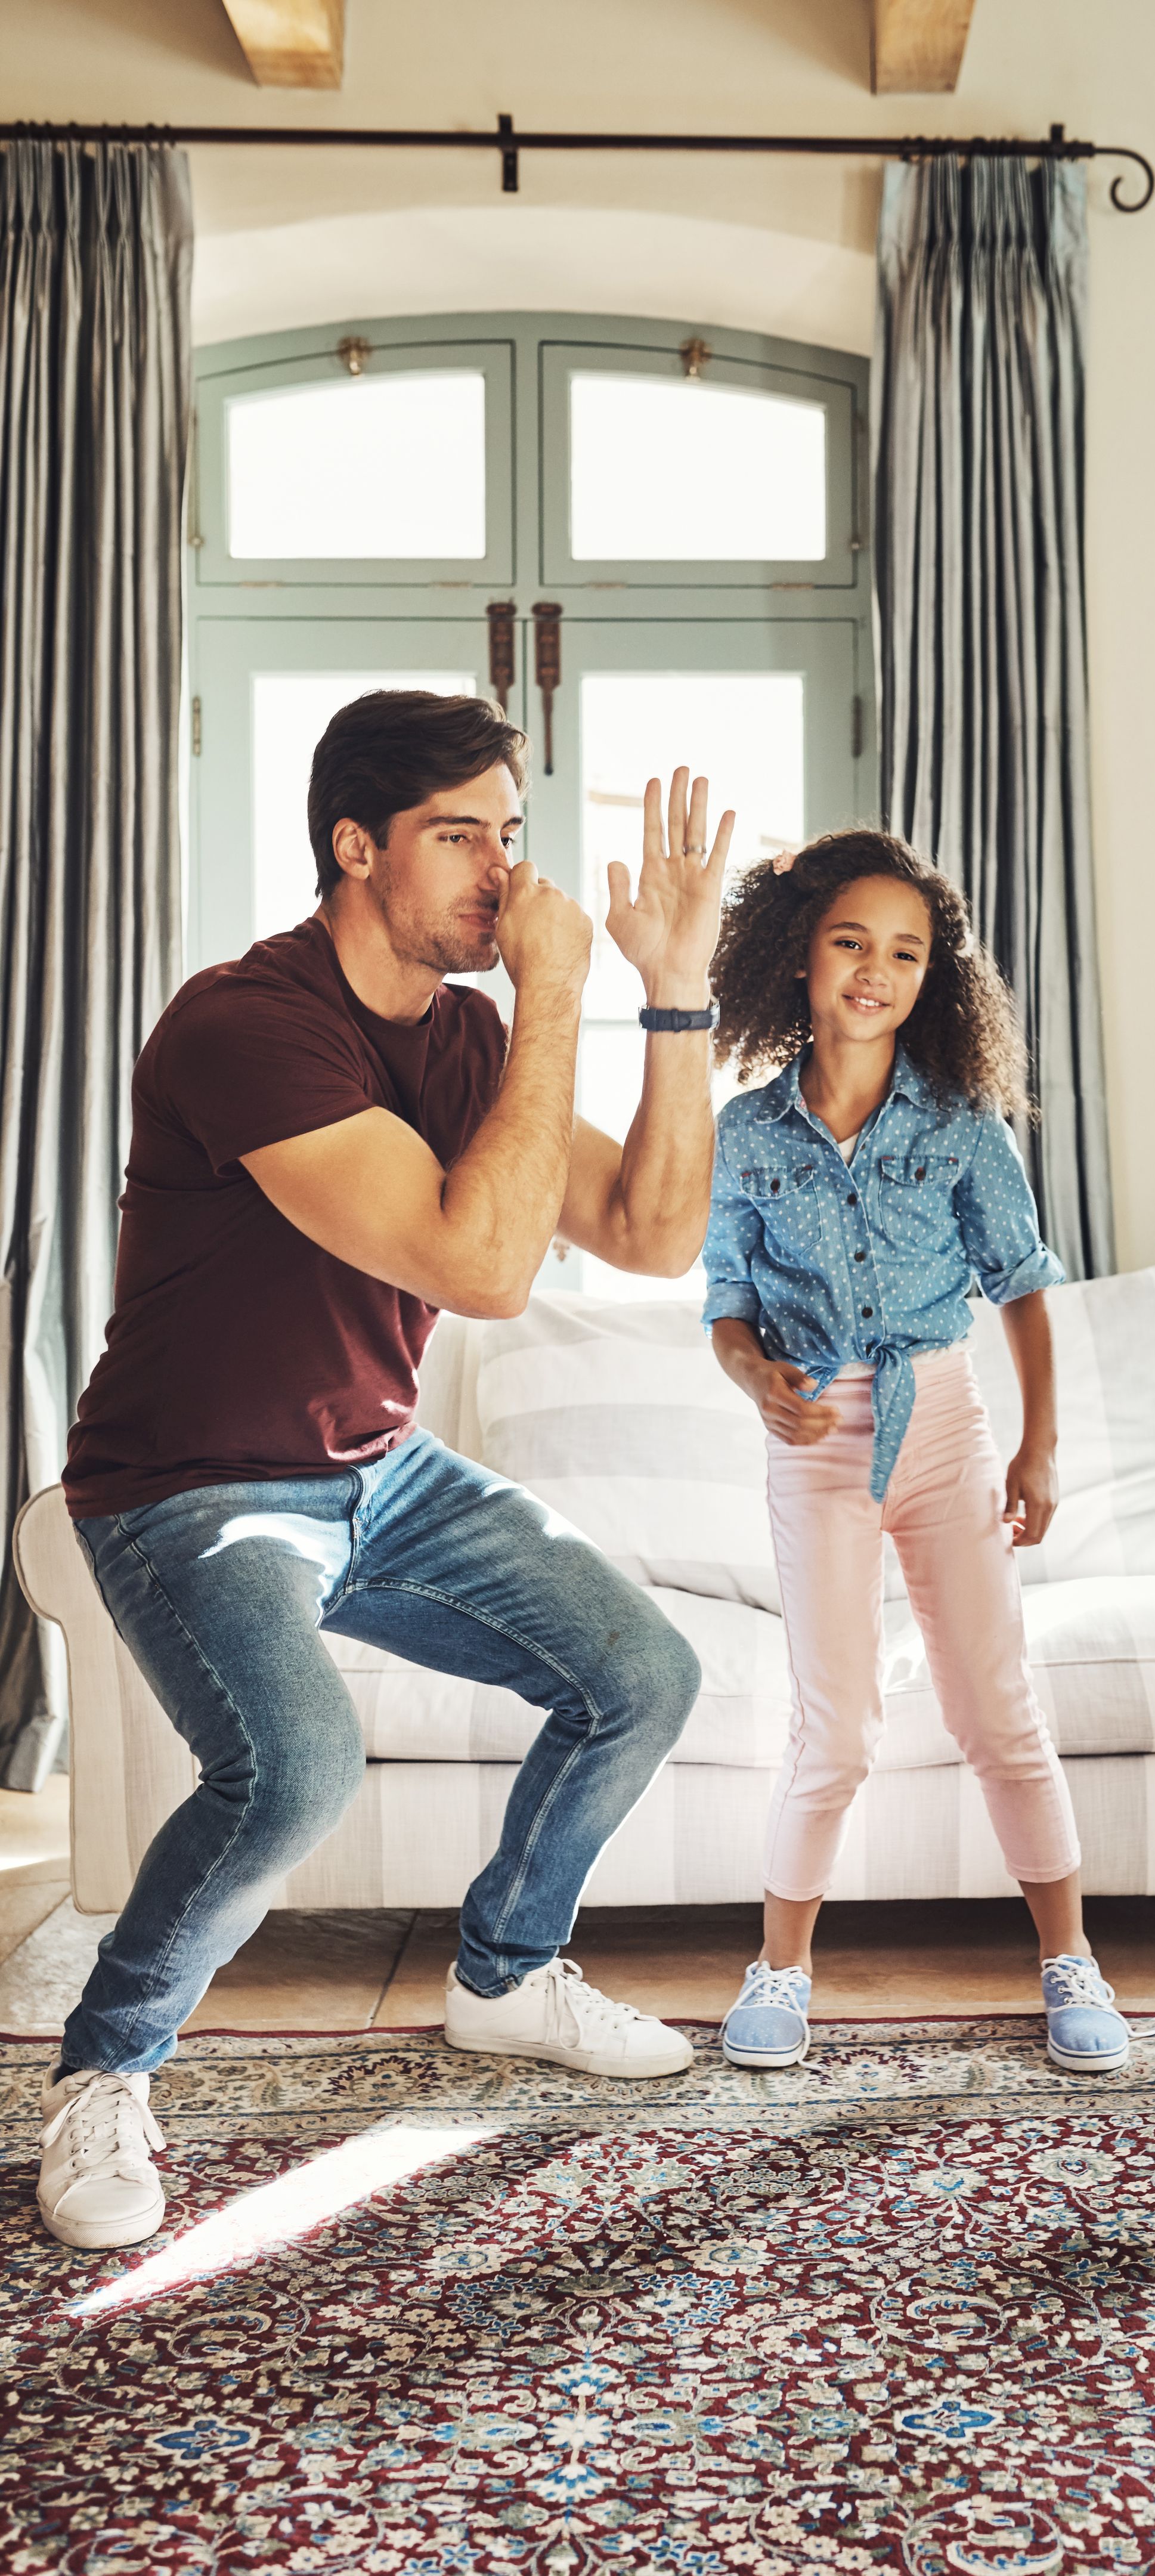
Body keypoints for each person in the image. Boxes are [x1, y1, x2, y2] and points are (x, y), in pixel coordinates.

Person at [37, 690, 733, 2252]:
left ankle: (501, 1975)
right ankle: (105, 2070)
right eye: (459, 836)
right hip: (189, 1488)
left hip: (375, 1470)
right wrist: (558, 990)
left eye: (514, 834)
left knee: (642, 1672)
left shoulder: (473, 1032)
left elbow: (648, 1234)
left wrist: (672, 994)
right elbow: (482, 1267)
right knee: (292, 1770)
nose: (503, 873)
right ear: (354, 847)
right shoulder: (242, 1026)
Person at [699, 831, 1131, 2077]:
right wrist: (754, 1376)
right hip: (817, 1439)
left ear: (931, 976)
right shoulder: (745, 1136)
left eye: (903, 951)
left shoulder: (958, 1125)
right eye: (848, 942)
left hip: (943, 1426)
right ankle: (778, 1969)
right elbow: (725, 1299)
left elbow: (1024, 1286)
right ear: (795, 958)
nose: (873, 970)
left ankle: (1068, 1962)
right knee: (832, 1731)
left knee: (998, 1706)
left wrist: (1037, 1451)